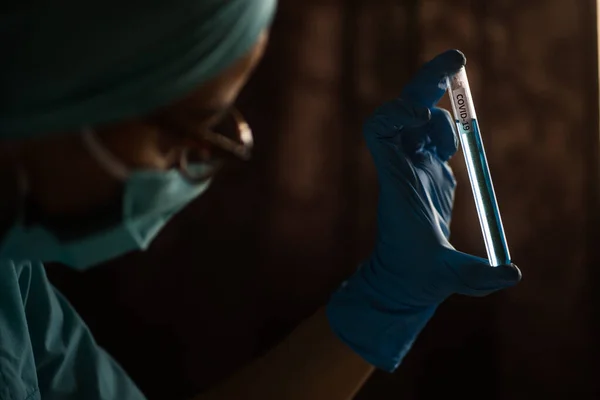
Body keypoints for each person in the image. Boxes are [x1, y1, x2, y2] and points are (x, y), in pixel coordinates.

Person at [0, 0, 521, 399]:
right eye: (184, 131)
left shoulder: (14, 278)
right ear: (53, 80)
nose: (184, 171)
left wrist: (385, 300)